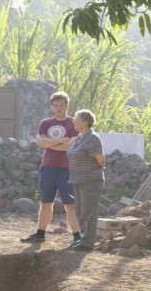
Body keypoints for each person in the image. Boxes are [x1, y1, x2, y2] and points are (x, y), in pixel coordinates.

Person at [21, 91, 81, 245]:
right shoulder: (45, 123)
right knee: (46, 203)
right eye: (56, 105)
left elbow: (70, 146)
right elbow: (40, 142)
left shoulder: (74, 123)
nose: (59, 108)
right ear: (52, 107)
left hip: (66, 169)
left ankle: (77, 238)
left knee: (70, 205)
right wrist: (62, 140)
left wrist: (52, 142)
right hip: (47, 168)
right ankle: (40, 234)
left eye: (62, 105)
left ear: (67, 106)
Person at [66, 110, 105, 252]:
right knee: (80, 211)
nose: (74, 121)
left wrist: (92, 170)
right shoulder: (80, 138)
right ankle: (84, 238)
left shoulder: (92, 138)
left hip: (90, 180)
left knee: (88, 211)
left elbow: (101, 160)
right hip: (77, 180)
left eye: (77, 119)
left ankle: (88, 243)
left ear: (85, 122)